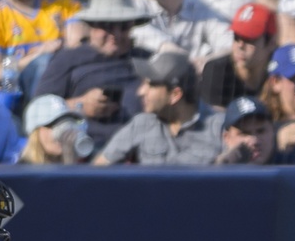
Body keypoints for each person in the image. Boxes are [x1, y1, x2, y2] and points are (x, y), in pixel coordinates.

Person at [33, 0, 151, 145]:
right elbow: (37, 111)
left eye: (123, 26)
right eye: (107, 26)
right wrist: (79, 106)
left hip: (139, 151)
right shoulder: (67, 59)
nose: (115, 34)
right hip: (83, 150)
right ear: (90, 26)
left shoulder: (148, 60)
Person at [93, 50, 223, 164]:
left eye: (151, 85)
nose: (141, 92)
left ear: (174, 95)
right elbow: (98, 169)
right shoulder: (141, 124)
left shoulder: (219, 128)